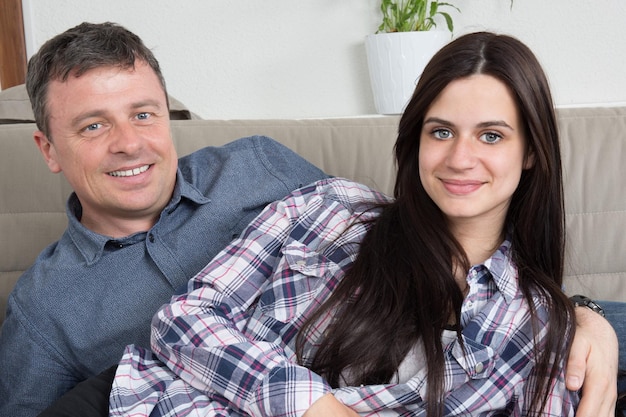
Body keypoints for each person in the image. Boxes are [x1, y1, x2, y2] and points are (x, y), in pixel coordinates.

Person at [102, 31, 613, 416]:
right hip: (143, 398)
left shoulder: (539, 327)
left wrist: (587, 316)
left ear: (530, 153)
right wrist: (312, 406)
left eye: (492, 136)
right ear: (415, 140)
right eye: (441, 131)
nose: (460, 158)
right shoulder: (330, 207)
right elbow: (181, 321)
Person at [0, 22, 327, 416]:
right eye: (93, 126)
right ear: (48, 150)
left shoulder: (258, 166)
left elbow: (379, 244)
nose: (129, 144)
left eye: (142, 114)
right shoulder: (43, 309)